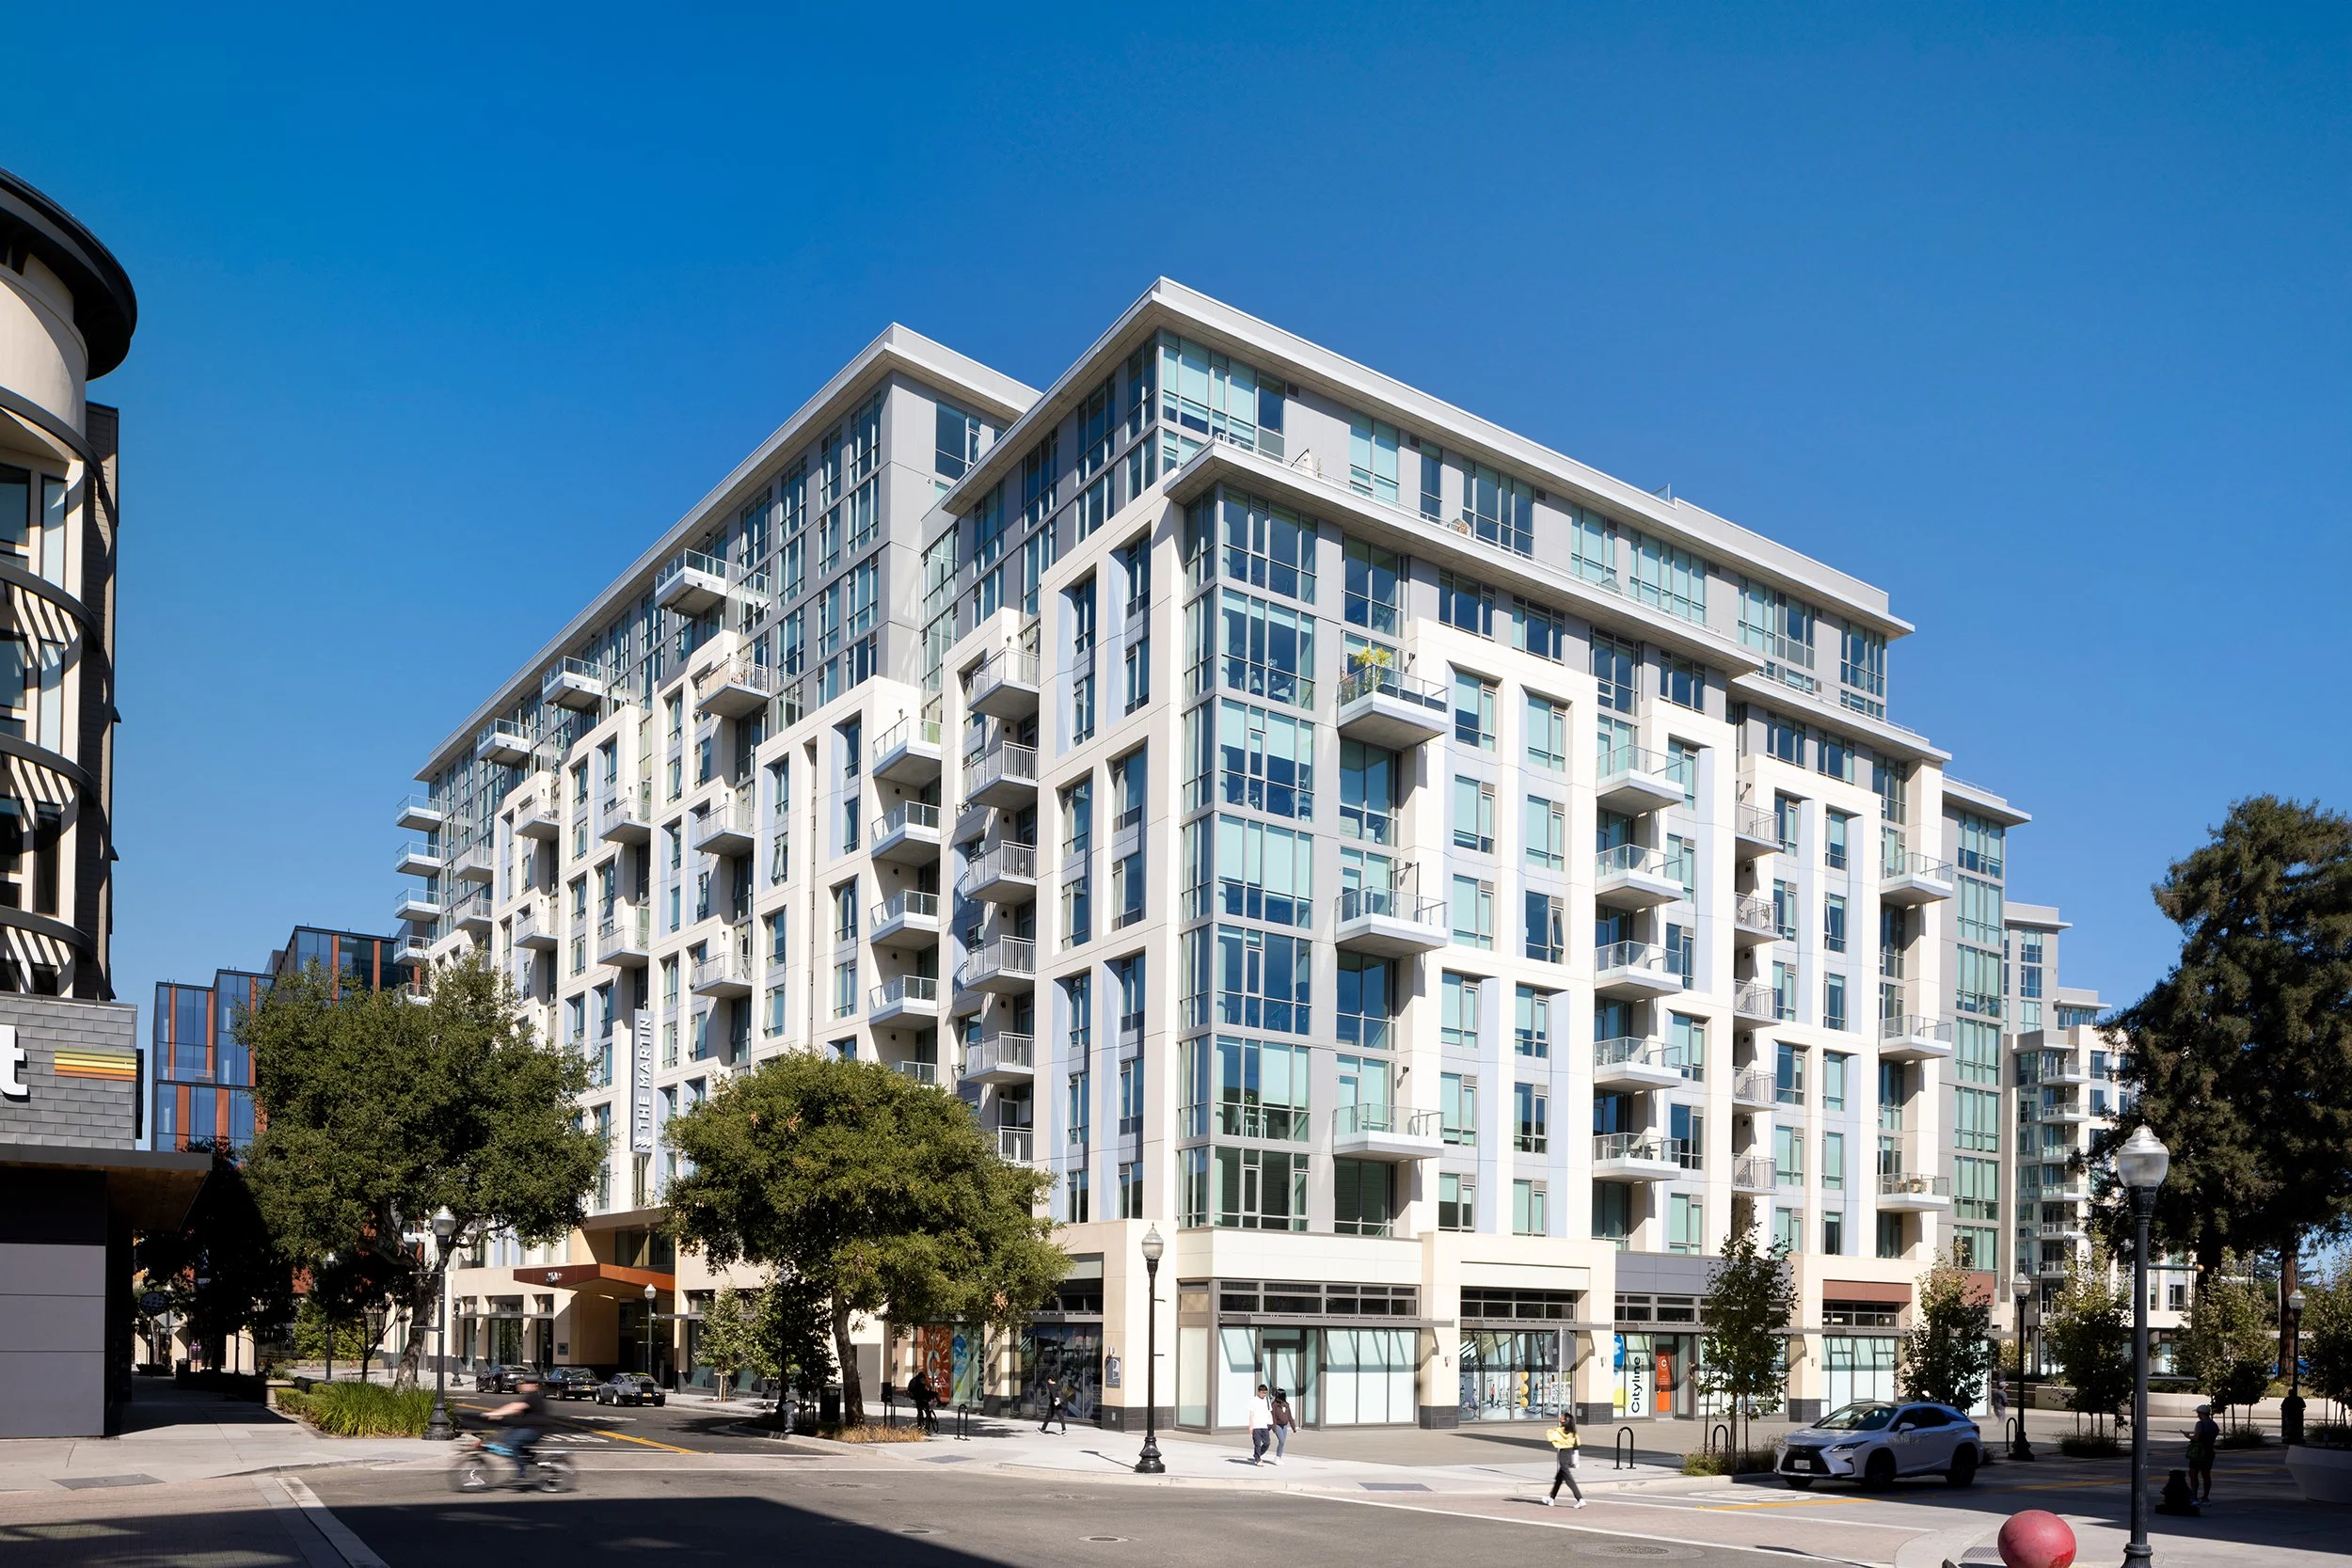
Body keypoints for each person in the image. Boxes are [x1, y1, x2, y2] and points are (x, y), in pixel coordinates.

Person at [484, 1372, 549, 1481]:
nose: (524, 1385)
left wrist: (495, 1414)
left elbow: (515, 1407)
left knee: (513, 1441)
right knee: (507, 1438)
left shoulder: (533, 1397)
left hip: (535, 1430)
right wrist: (498, 1414)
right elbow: (514, 1408)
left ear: (534, 1385)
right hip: (528, 1427)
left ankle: (521, 1472)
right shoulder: (529, 1397)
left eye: (527, 1383)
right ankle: (528, 1458)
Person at [1543, 1408, 1587, 1508]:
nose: (1561, 1417)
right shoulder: (1573, 1433)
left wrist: (1551, 1431)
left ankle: (1580, 1498)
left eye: (1563, 1417)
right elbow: (1578, 1443)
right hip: (1570, 1453)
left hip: (1563, 1454)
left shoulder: (1559, 1431)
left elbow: (1550, 1436)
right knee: (1559, 1479)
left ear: (1565, 1421)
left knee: (1569, 1479)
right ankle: (1551, 1498)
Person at [2184, 1403, 2220, 1503]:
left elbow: (2196, 1438)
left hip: (2198, 1453)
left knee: (2193, 1474)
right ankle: (2205, 1497)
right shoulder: (2214, 1424)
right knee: (2206, 1475)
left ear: (2201, 1413)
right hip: (2209, 1451)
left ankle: (2194, 1496)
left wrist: (2187, 1436)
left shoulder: (2200, 1424)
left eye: (2198, 1413)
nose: (2197, 1415)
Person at [1248, 1383, 1274, 1465]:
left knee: (1267, 1443)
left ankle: (1257, 1454)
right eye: (1262, 1392)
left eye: (1265, 1393)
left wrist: (1271, 1422)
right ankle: (1258, 1459)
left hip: (1265, 1425)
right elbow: (1251, 1413)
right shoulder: (1254, 1400)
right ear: (1259, 1392)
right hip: (1256, 1425)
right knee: (1257, 1443)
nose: (1264, 1394)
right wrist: (1251, 1425)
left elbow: (1269, 1412)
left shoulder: (1267, 1400)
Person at [1269, 1387, 1295, 1463]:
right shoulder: (1274, 1405)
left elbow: (1289, 1416)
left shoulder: (1286, 1405)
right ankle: (1277, 1458)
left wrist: (1293, 1426)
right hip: (1277, 1425)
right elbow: (1273, 1416)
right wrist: (1273, 1427)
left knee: (1282, 1442)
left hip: (1284, 1425)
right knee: (1282, 1440)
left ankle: (1279, 1457)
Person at [907, 1370, 937, 1434]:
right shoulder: (914, 1382)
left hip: (922, 1396)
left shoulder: (922, 1382)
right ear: (919, 1378)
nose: (923, 1381)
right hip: (916, 1397)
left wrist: (931, 1395)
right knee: (920, 1412)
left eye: (924, 1379)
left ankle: (927, 1427)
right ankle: (919, 1426)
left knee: (927, 1412)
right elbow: (912, 1392)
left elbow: (925, 1391)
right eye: (922, 1379)